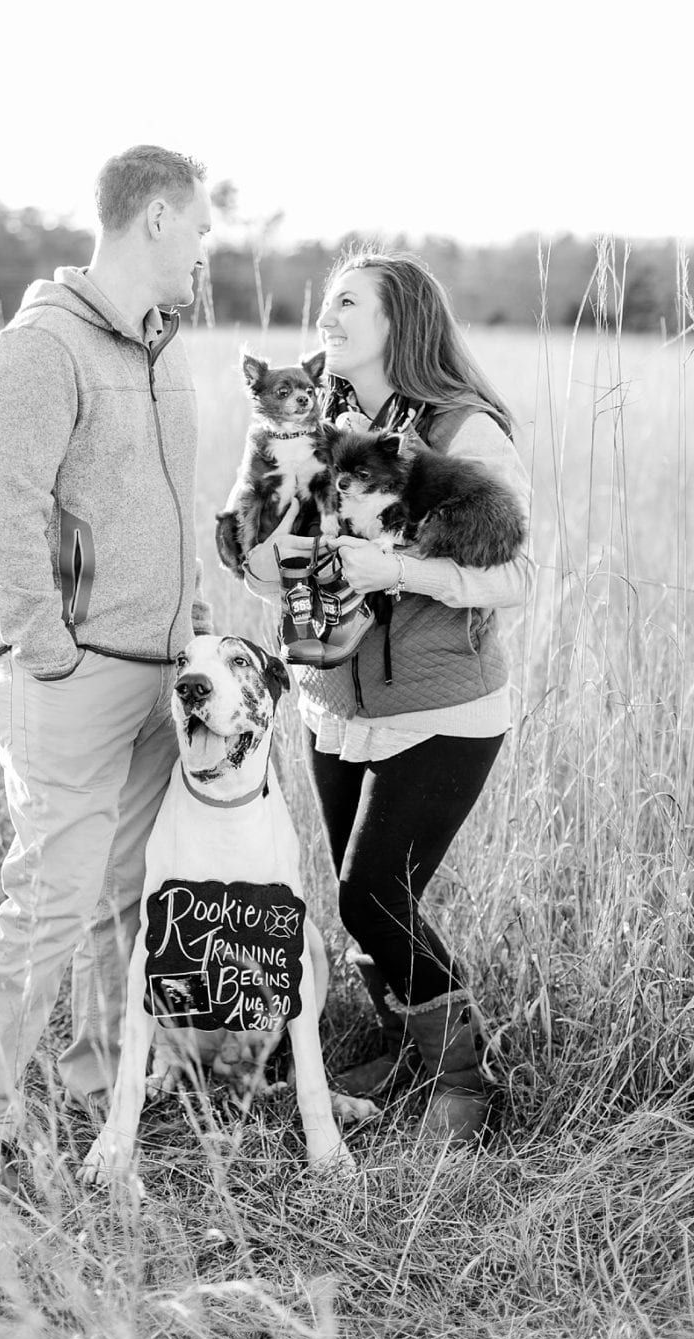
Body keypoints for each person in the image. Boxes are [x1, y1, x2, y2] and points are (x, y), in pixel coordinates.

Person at [0, 145, 212, 1187]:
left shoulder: (159, 345)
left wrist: (190, 613)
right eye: (199, 226)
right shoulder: (41, 349)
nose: (204, 248)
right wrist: (48, 647)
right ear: (153, 219)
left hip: (160, 672)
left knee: (123, 895)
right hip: (74, 676)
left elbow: (160, 506)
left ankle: (105, 1082)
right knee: (50, 896)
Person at [241, 249, 531, 1143]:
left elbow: (516, 574)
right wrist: (268, 540)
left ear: (400, 320)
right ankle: (407, 1050)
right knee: (357, 894)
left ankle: (465, 1079)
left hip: (445, 707)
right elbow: (266, 568)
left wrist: (393, 567)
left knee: (374, 891)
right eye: (325, 302)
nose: (326, 315)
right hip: (337, 703)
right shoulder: (307, 425)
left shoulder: (462, 429)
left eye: (349, 302)